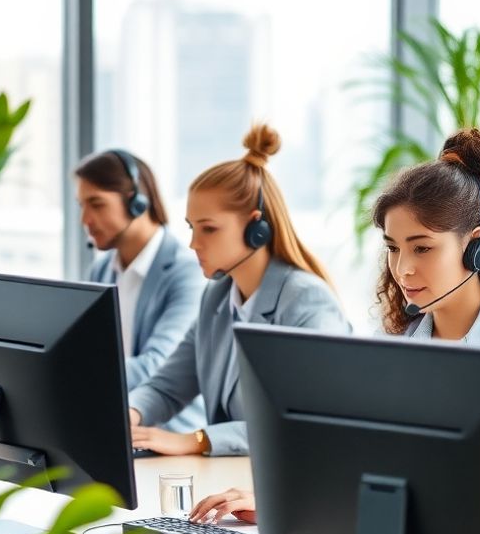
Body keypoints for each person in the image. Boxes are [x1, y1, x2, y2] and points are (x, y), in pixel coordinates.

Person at [190, 128, 480, 534]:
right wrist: (292, 508)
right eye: (393, 248)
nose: (403, 268)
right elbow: (369, 465)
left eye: (423, 248)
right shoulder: (396, 342)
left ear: (475, 246)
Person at [126, 123, 350, 456]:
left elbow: (307, 420)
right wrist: (129, 416)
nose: (193, 243)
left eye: (209, 229)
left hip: (289, 480)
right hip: (231, 477)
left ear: (255, 227)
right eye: (191, 228)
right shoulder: (217, 297)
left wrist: (197, 439)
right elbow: (168, 386)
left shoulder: (306, 300)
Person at [75, 148, 206, 432]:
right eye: (81, 205)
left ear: (137, 202)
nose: (85, 219)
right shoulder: (100, 271)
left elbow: (158, 366)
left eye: (96, 204)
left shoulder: (186, 273)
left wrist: (70, 372)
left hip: (169, 435)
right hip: (116, 428)